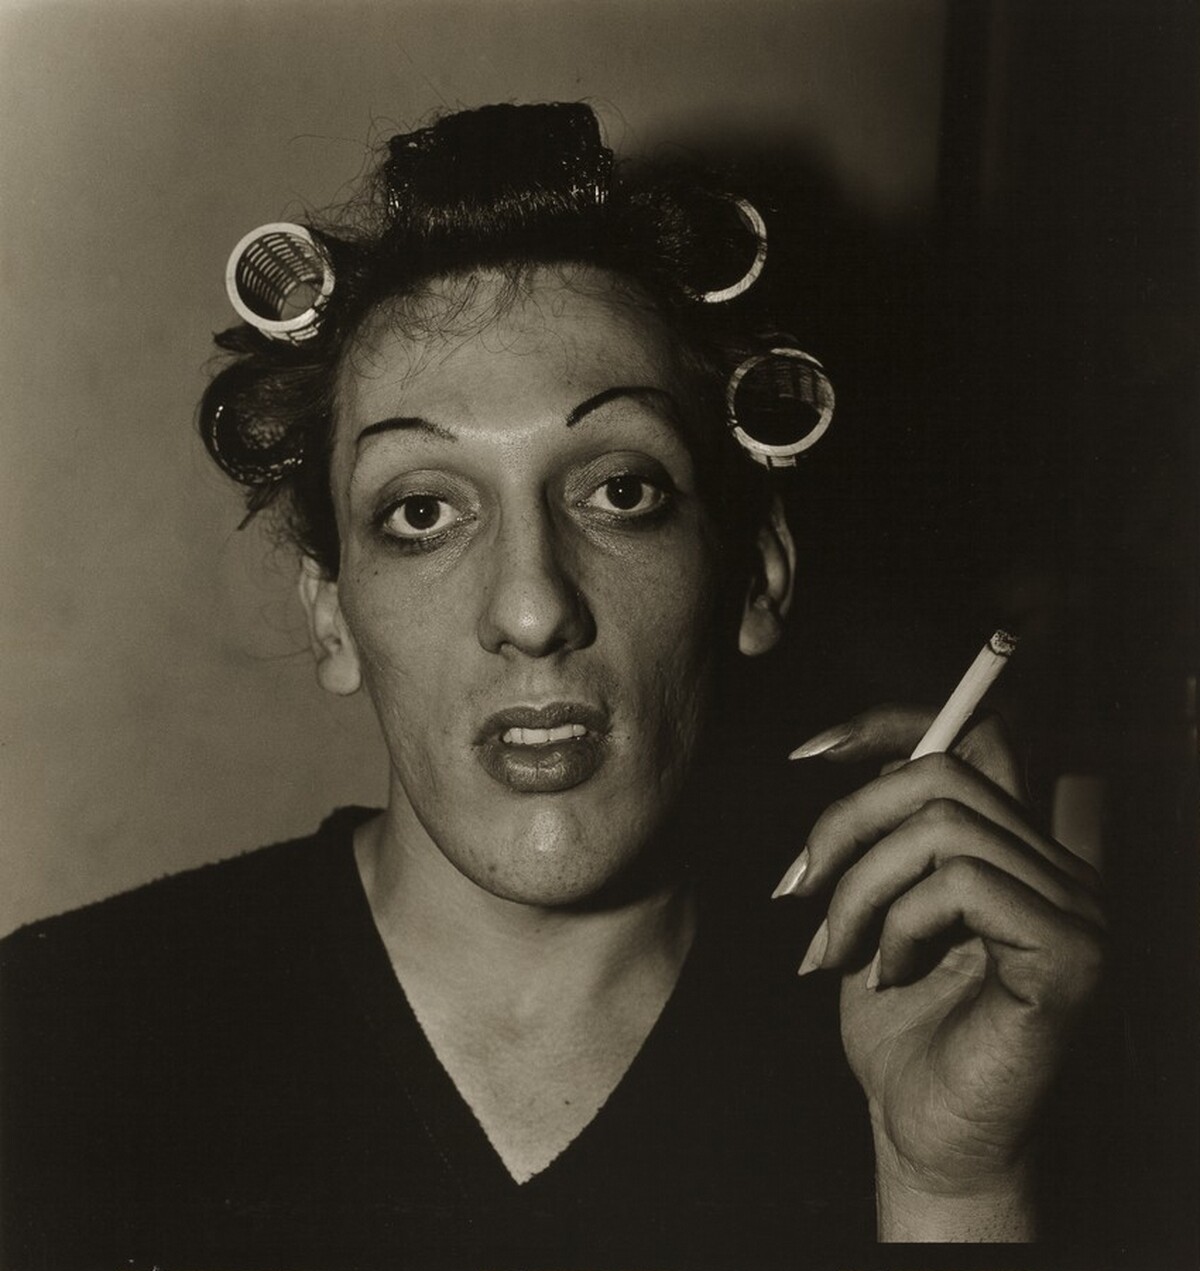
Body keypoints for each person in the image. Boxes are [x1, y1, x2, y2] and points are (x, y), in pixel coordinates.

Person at [0, 103, 1105, 1270]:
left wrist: (956, 1183)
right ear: (332, 612)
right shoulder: (59, 1038)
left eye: (620, 491)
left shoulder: (950, 1040)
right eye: (422, 511)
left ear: (756, 575)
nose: (531, 606)